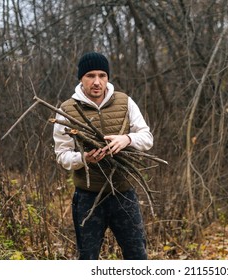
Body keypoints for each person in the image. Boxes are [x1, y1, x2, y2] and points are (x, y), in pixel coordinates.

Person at [53, 51, 153, 260]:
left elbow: (147, 138)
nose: (97, 82)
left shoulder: (125, 102)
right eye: (90, 75)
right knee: (88, 259)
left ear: (108, 77)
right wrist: (83, 159)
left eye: (102, 75)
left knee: (137, 257)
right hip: (88, 197)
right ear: (81, 78)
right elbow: (62, 156)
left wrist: (127, 139)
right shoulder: (66, 110)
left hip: (123, 194)